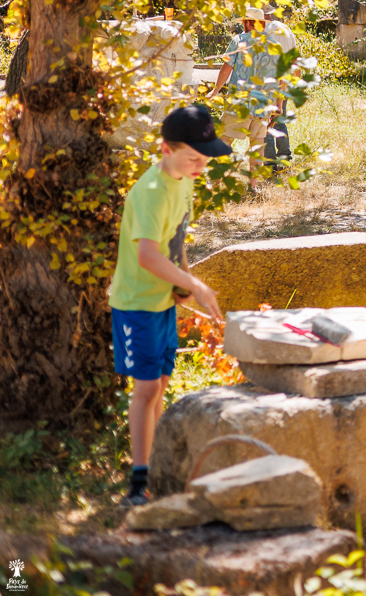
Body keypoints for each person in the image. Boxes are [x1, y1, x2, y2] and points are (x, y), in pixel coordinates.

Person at [111, 103, 228, 506]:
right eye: (194, 158)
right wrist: (195, 284)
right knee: (146, 388)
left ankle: (157, 466)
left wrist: (183, 282)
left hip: (163, 300)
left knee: (160, 381)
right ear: (166, 149)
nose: (201, 166)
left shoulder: (184, 180)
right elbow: (147, 256)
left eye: (205, 158)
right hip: (137, 302)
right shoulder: (152, 192)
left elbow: (175, 242)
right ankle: (138, 481)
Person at [211, 7, 280, 164]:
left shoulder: (239, 40)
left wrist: (215, 90)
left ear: (248, 23)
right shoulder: (275, 46)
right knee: (257, 147)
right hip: (263, 105)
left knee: (224, 141)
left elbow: (226, 68)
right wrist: (278, 105)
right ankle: (255, 180)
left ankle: (217, 175)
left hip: (240, 103)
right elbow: (280, 79)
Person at [261, 8, 297, 167]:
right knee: (279, 119)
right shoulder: (286, 29)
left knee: (265, 121)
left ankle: (270, 163)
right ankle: (284, 157)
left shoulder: (261, 31)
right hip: (284, 82)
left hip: (266, 83)